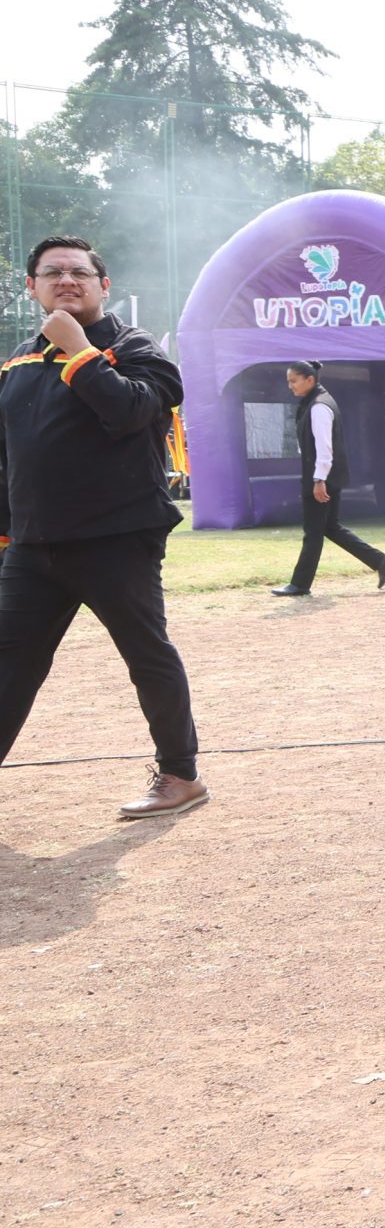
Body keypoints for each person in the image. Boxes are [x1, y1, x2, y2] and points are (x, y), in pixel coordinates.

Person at [0, 235, 209, 819]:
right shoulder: (16, 362)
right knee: (8, 661)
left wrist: (79, 350)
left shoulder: (136, 347)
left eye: (79, 272)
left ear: (103, 285)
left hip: (116, 536)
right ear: (32, 287)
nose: (66, 280)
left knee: (146, 653)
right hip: (33, 544)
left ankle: (181, 776)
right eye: (52, 273)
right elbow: (9, 457)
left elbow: (131, 412)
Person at [269, 361, 385, 597]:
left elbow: (325, 448)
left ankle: (300, 584)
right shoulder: (316, 402)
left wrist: (319, 480)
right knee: (329, 527)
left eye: (293, 381)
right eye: (288, 381)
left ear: (309, 380)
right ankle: (380, 561)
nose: (290, 386)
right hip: (325, 476)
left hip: (322, 478)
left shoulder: (319, 406)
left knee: (313, 532)